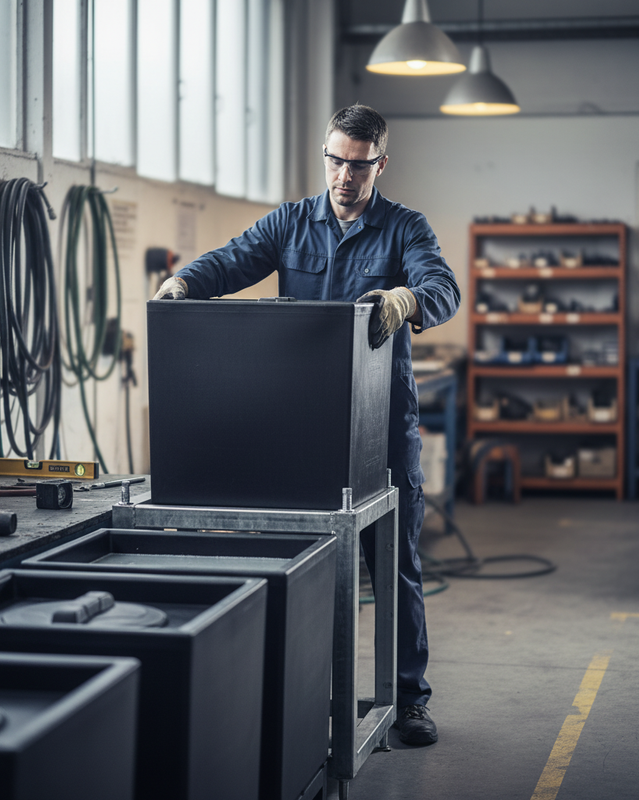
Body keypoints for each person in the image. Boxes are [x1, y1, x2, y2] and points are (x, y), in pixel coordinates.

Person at [153, 104, 460, 746]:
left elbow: (443, 287)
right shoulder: (291, 223)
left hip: (383, 423)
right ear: (324, 154)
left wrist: (408, 298)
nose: (344, 176)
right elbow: (234, 260)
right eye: (335, 160)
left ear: (380, 162)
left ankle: (408, 702)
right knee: (304, 560)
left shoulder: (405, 229)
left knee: (395, 561)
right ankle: (300, 699)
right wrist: (184, 283)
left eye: (359, 164)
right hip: (305, 426)